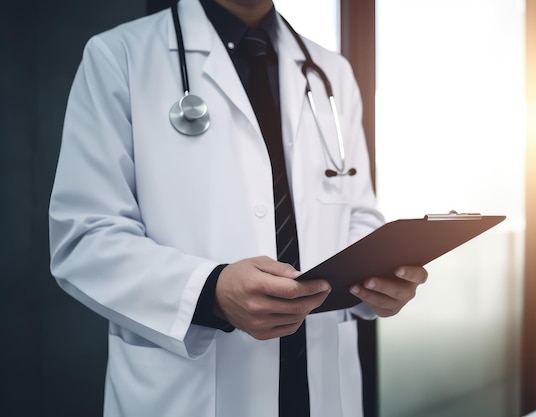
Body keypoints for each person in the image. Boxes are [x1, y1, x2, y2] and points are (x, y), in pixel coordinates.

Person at [48, 0, 428, 416]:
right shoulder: (119, 56)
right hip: (191, 390)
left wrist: (377, 277)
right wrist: (210, 291)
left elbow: (356, 213)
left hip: (318, 383)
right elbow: (84, 238)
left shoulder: (330, 71)